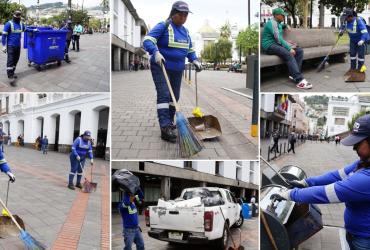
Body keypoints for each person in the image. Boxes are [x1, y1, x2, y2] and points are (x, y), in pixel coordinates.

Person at [271, 114, 370, 250]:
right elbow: (336, 175)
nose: (354, 148)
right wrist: (306, 182)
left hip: (365, 240)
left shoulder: (367, 178)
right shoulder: (363, 163)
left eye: (358, 143)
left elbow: (327, 193)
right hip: (356, 234)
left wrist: (289, 194)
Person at [143, 1, 202, 142]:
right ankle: (164, 127)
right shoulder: (163, 26)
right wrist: (155, 52)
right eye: (181, 14)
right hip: (161, 67)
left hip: (177, 69)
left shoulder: (185, 31)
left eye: (186, 15)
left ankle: (169, 122)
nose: (183, 17)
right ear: (173, 14)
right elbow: (147, 40)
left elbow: (189, 49)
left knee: (174, 97)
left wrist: (194, 59)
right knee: (164, 95)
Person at [261, 8, 312, 89]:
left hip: (277, 44)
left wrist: (286, 25)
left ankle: (293, 74)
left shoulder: (278, 23)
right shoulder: (272, 23)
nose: (284, 17)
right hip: (269, 46)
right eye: (282, 15)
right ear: (276, 15)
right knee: (288, 54)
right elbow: (278, 39)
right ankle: (299, 80)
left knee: (299, 51)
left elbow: (281, 26)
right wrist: (289, 48)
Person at [339, 8, 370, 75]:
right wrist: (341, 31)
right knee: (352, 54)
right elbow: (342, 26)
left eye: (346, 18)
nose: (345, 19)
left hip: (360, 41)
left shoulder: (358, 21)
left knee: (360, 55)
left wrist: (362, 40)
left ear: (351, 16)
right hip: (352, 41)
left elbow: (365, 32)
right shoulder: (346, 21)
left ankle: (360, 68)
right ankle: (352, 68)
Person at [1, 10, 25, 84]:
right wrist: (4, 46)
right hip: (10, 46)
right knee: (10, 60)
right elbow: (4, 36)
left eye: (19, 16)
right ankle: (10, 75)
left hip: (18, 46)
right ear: (14, 16)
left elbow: (25, 29)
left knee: (16, 60)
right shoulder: (8, 24)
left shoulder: (21, 24)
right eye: (16, 16)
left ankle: (12, 72)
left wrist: (33, 30)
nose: (17, 17)